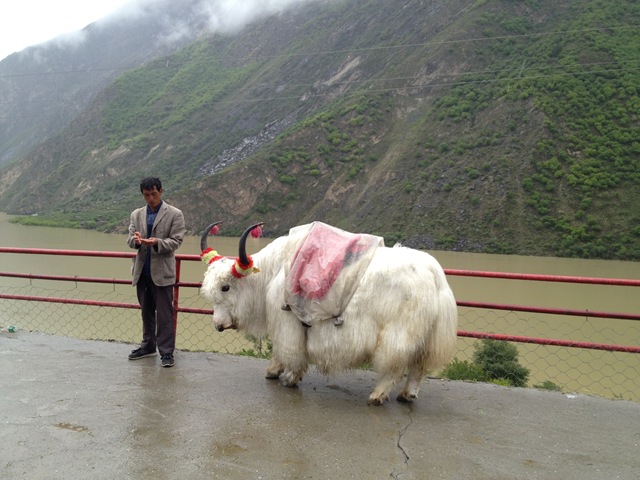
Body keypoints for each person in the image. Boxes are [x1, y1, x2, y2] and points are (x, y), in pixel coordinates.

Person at [126, 177, 185, 367]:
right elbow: (130, 239)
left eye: (154, 194)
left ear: (161, 191)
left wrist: (157, 242)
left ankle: (166, 352)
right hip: (142, 271)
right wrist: (136, 240)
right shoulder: (136, 214)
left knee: (165, 315)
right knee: (146, 312)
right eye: (146, 195)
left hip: (162, 272)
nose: (150, 198)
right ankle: (148, 346)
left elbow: (176, 241)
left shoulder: (174, 214)